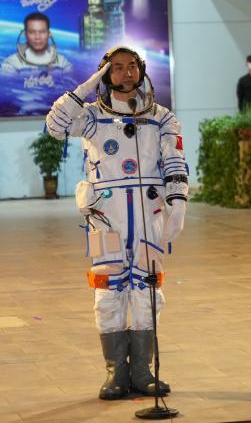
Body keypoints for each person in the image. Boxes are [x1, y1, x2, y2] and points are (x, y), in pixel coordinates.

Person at [45, 45, 188, 400]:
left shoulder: (161, 117)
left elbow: (175, 162)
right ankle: (115, 373)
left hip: (149, 216)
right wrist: (87, 85)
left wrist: (178, 204)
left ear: (141, 70)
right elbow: (55, 126)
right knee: (108, 292)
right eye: (117, 67)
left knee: (147, 292)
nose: (127, 73)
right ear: (106, 74)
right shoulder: (91, 117)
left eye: (132, 66)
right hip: (106, 219)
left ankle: (142, 372)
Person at [0, 13, 73, 80]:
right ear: (25, 34)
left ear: (49, 34)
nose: (37, 37)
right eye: (32, 32)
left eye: (42, 32)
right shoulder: (11, 64)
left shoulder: (63, 64)